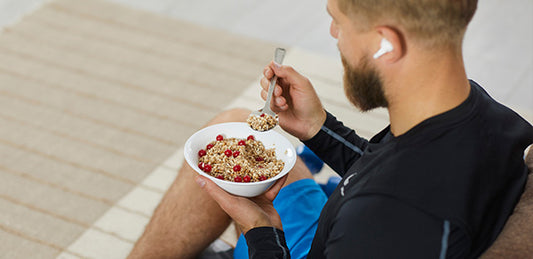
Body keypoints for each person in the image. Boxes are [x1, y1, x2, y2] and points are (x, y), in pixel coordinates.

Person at [128, 0, 533, 258]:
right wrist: (319, 128)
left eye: (337, 20)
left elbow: (388, 199)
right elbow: (390, 170)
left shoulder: (384, 223)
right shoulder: (486, 116)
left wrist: (262, 233)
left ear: (385, 44)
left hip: (315, 245)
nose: (333, 35)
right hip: (345, 227)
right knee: (235, 125)